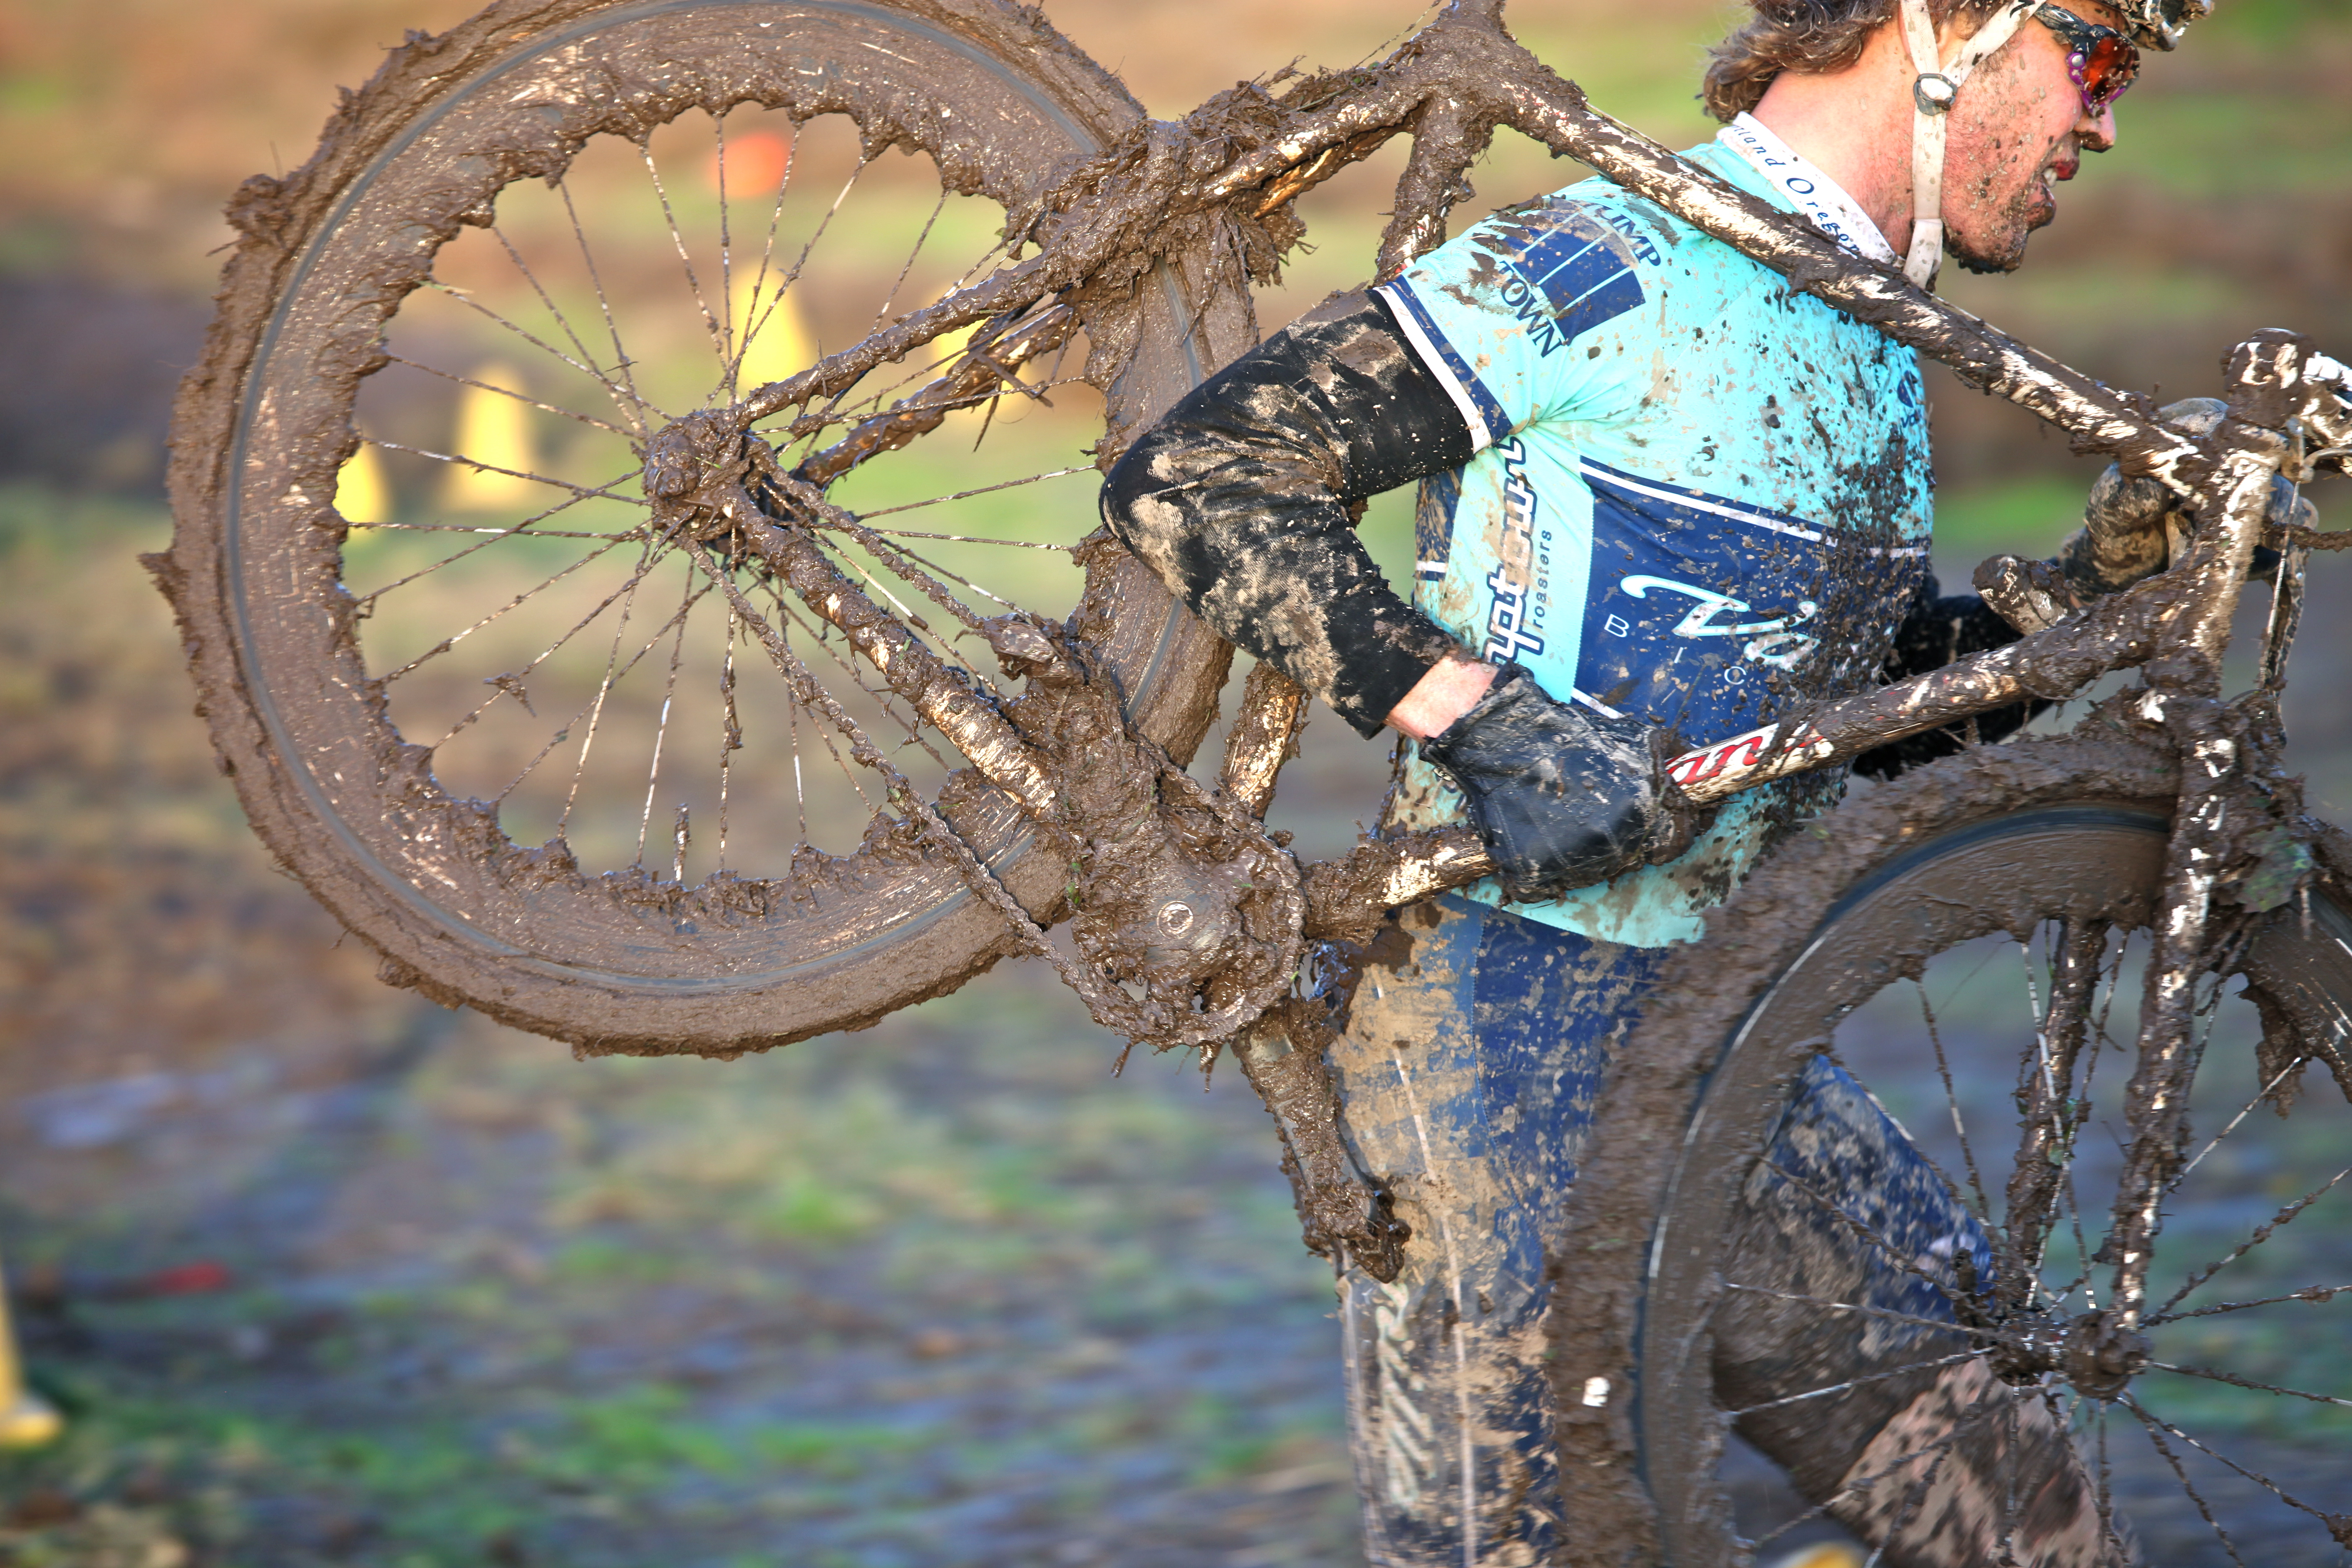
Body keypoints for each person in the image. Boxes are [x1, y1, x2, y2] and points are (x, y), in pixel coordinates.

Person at [1101, 0, 2234, 1562]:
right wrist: (1474, 716)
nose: (2104, 124)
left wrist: (2068, 607)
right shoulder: (1599, 258)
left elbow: (1840, 716)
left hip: (1739, 1025)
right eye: (2096, 60)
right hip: (1493, 1044)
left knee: (2028, 1524)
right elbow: (1195, 479)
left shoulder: (1871, 336)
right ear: (1947, 29)